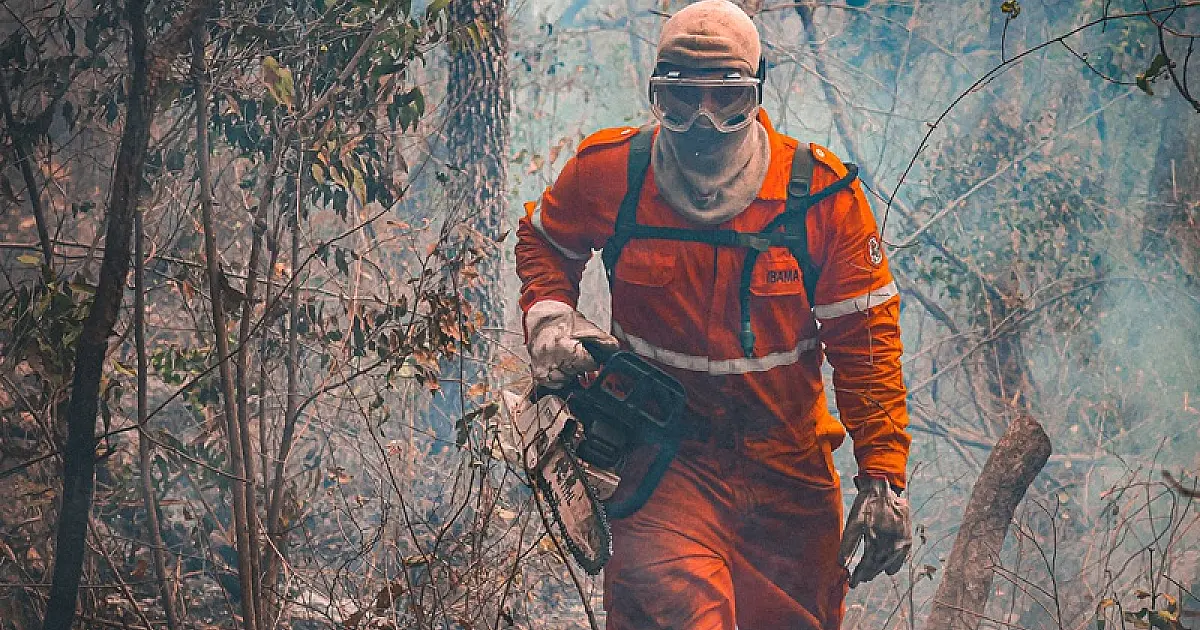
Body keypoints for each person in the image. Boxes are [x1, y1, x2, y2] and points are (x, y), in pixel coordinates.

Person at [514, 1, 912, 627]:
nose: (701, 120)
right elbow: (546, 239)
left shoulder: (820, 202)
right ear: (654, 94)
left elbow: (866, 345)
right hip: (664, 459)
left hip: (789, 472)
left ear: (757, 93)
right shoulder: (614, 172)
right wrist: (551, 316)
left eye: (724, 98)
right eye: (679, 98)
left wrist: (883, 476)